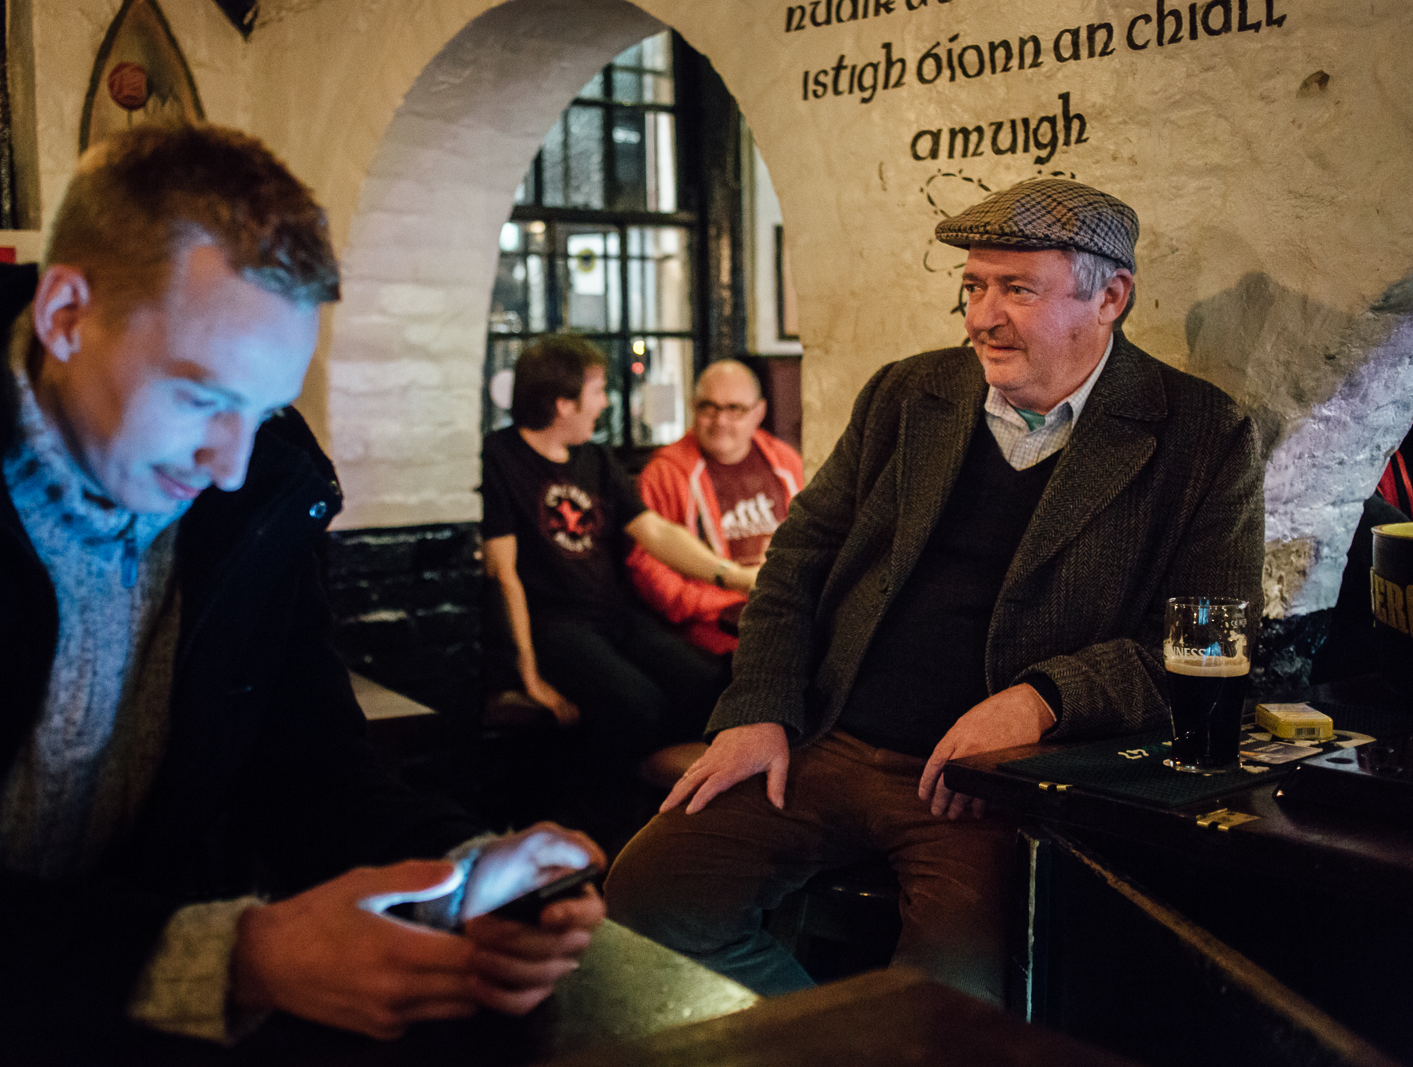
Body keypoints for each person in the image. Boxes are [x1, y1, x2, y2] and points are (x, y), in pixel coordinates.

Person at [0, 123, 602, 1060]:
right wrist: (237, 956)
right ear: (67, 312)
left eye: (263, 408)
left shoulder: (258, 485)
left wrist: (473, 875)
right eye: (199, 397)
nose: (231, 465)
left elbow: (312, 773)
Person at [605, 178, 1265, 1003]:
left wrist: (1040, 701)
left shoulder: (1202, 436)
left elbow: (1209, 648)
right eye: (973, 286)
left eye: (1016, 289)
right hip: (824, 740)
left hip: (989, 791)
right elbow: (799, 555)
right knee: (639, 908)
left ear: (1111, 298)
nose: (981, 317)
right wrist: (758, 707)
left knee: (944, 1011)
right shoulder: (908, 392)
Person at [481, 336, 751, 759]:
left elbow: (656, 533)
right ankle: (605, 811)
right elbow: (502, 574)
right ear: (563, 403)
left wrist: (733, 576)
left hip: (612, 616)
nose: (605, 403)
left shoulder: (594, 458)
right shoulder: (501, 456)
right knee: (638, 706)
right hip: (553, 628)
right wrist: (528, 674)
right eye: (597, 392)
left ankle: (672, 803)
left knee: (708, 683)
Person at [627, 360, 804, 655]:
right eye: (708, 407)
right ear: (692, 408)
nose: (720, 420)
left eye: (734, 409)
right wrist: (722, 602)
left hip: (785, 613)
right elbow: (646, 565)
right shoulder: (665, 473)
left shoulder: (785, 462)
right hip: (711, 626)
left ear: (759, 412)